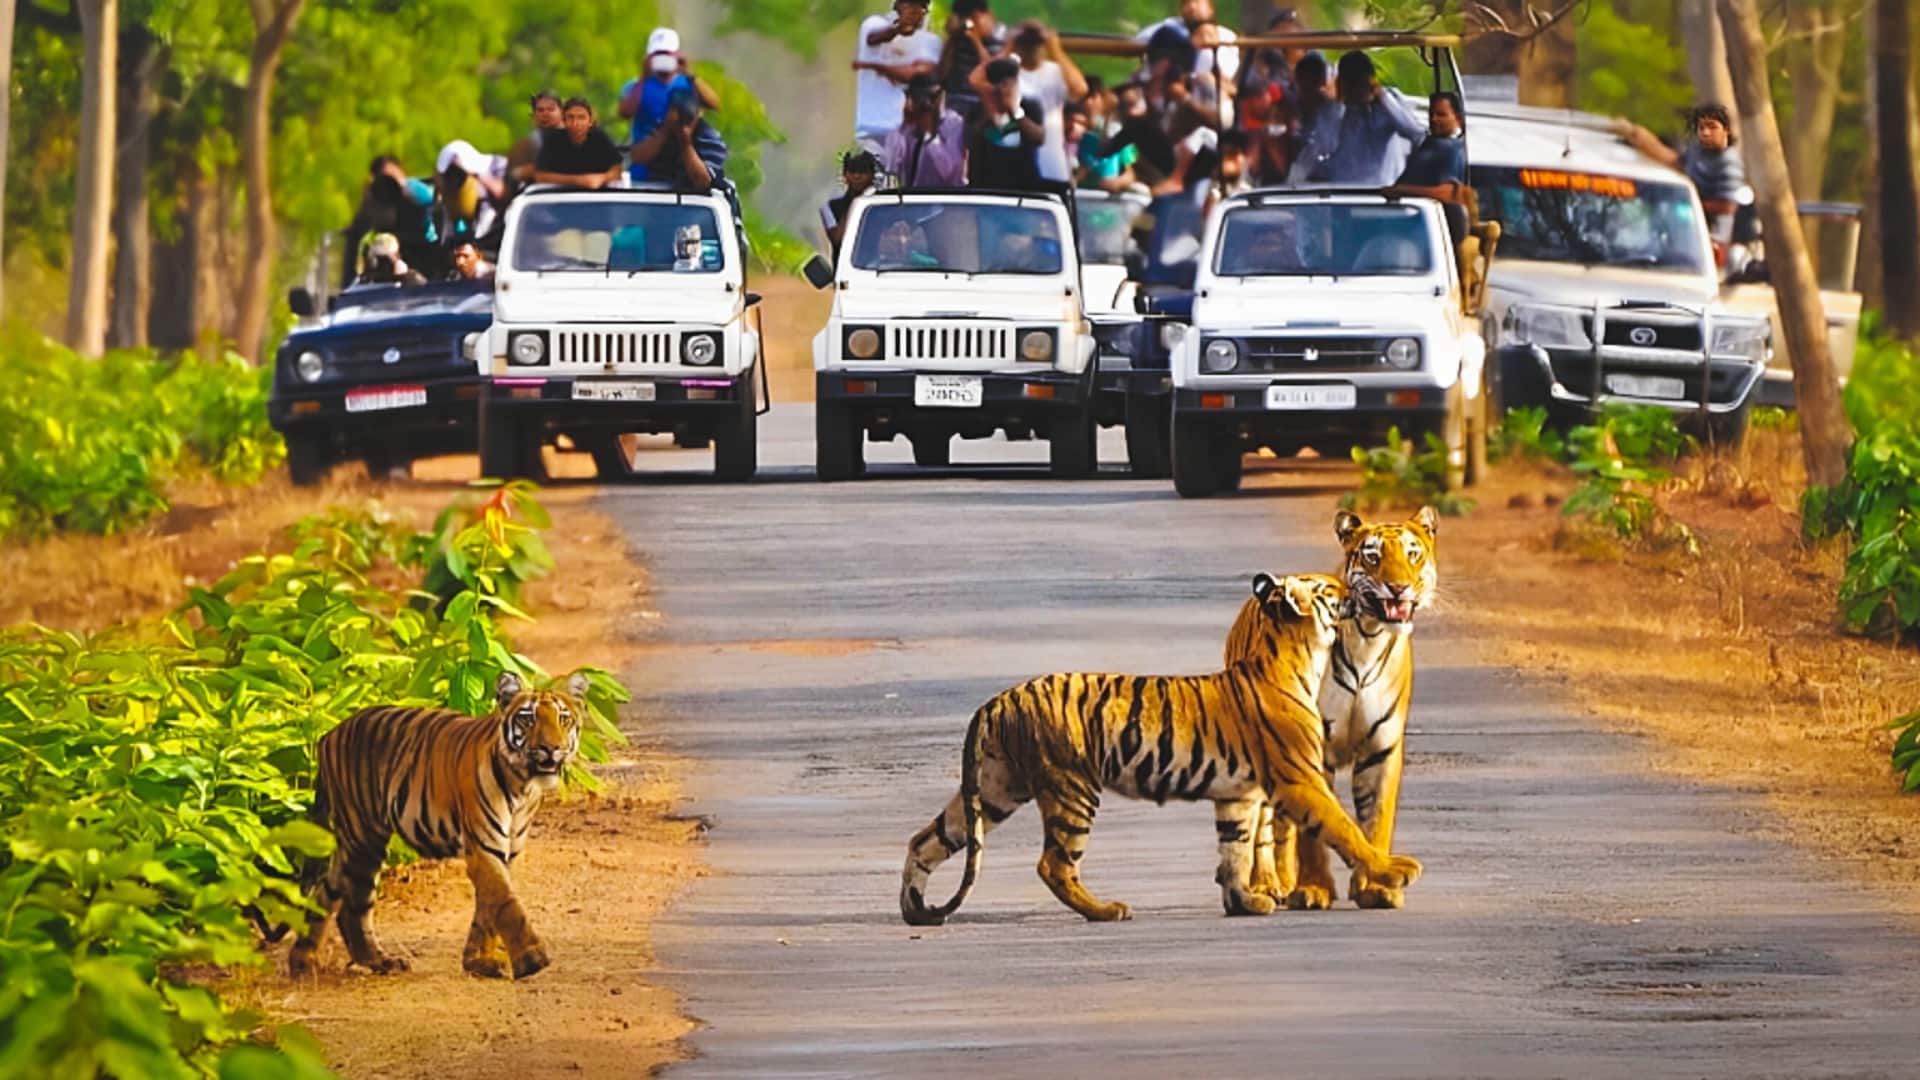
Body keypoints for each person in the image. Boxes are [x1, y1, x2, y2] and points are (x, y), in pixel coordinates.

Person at [970, 21, 1087, 184]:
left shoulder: (1055, 71)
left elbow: (1080, 89)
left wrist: (1055, 49)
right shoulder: (1010, 75)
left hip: (1051, 159)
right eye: (1025, 43)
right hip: (1016, 162)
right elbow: (976, 80)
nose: (1031, 48)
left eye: (1036, 43)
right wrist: (1009, 46)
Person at [621, 27, 723, 182]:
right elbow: (625, 112)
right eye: (657, 56)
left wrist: (689, 74)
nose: (662, 61)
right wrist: (643, 78)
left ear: (677, 55)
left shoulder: (689, 85)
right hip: (644, 166)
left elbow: (715, 104)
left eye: (667, 56)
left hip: (682, 165)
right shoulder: (635, 86)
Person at [1308, 51, 1423, 186]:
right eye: (1349, 85)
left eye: (1359, 84)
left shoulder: (1389, 104)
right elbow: (1324, 146)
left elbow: (1416, 134)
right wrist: (1339, 103)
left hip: (1383, 192)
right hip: (1341, 191)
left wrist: (1383, 98)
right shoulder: (1333, 111)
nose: (1355, 91)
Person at [853, 0, 943, 154]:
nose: (914, 11)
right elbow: (874, 38)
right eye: (909, 5)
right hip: (873, 130)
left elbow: (921, 74)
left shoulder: (929, 42)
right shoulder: (874, 24)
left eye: (921, 6)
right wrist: (898, 28)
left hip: (908, 132)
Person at [1614, 103, 1747, 204]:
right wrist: (1640, 138)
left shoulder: (1729, 162)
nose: (1706, 133)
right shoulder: (1697, 151)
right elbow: (1675, 162)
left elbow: (1726, 205)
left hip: (1713, 235)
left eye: (1712, 127)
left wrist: (1688, 201)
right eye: (1702, 127)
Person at [341, 156, 438, 289]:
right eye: (381, 185)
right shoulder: (370, 235)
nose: (388, 190)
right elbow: (350, 282)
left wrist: (404, 186)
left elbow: (432, 200)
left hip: (427, 268)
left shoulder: (418, 202)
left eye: (390, 182)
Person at [966, 57, 1045, 190]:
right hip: (986, 186)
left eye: (1008, 85)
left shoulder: (1030, 106)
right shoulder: (978, 110)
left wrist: (1016, 113)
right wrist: (989, 113)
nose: (1003, 91)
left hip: (1024, 186)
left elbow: (1038, 138)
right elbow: (969, 140)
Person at [630, 85, 730, 190]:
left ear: (699, 113)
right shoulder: (661, 130)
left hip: (697, 198)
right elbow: (637, 158)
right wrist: (665, 131)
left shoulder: (708, 136)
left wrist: (685, 141)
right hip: (659, 193)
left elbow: (703, 182)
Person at [1134, 0, 1240, 97]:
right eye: (1186, 3)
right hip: (1173, 91)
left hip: (1214, 92)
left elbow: (1225, 76)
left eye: (1197, 2)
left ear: (1210, 8)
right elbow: (1139, 40)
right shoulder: (1170, 28)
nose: (1192, 7)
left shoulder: (1226, 36)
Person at [883, 74, 968, 188]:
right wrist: (903, 127)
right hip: (909, 197)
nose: (925, 103)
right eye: (917, 96)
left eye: (931, 97)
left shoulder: (954, 124)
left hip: (943, 198)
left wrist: (929, 136)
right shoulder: (905, 127)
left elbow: (951, 173)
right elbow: (891, 171)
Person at [535, 98, 625, 189]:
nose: (576, 123)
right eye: (570, 117)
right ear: (564, 121)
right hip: (559, 195)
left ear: (590, 121)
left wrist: (601, 178)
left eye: (581, 117)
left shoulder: (599, 138)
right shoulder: (553, 140)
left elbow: (617, 170)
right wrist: (580, 181)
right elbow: (540, 176)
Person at [1390, 91, 1467, 198]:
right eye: (1431, 114)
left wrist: (1400, 190)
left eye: (1441, 115)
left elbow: (1448, 193)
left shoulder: (1451, 149)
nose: (1434, 119)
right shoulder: (1428, 143)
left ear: (1458, 119)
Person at [435, 139, 510, 245]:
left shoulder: (498, 165)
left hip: (499, 231)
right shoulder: (450, 185)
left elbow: (503, 195)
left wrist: (476, 174)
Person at [938, 0, 1003, 120]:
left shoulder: (1000, 38)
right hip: (956, 100)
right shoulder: (958, 39)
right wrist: (952, 39)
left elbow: (994, 72)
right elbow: (942, 73)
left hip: (983, 104)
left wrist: (976, 41)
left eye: (975, 17)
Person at [1283, 52, 1341, 185]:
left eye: (1312, 84)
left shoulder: (1335, 113)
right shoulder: (1289, 107)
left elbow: (1320, 151)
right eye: (1304, 86)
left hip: (1333, 182)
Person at [821, 151, 877, 259]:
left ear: (872, 175)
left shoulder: (880, 206)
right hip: (844, 270)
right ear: (844, 174)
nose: (857, 176)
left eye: (863, 172)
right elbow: (838, 240)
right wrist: (855, 203)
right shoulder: (831, 206)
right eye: (852, 171)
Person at [1070, 102, 1137, 193]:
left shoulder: (1123, 141)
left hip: (1107, 199)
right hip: (1082, 195)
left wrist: (1118, 182)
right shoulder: (1080, 137)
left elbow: (1130, 174)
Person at [507, 91, 565, 191]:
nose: (545, 114)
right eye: (540, 110)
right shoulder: (524, 146)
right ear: (534, 116)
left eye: (551, 109)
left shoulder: (580, 139)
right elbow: (510, 180)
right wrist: (524, 172)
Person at [354, 232, 428, 287]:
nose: (385, 267)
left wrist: (403, 277)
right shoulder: (362, 283)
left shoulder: (410, 278)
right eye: (380, 261)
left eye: (388, 260)